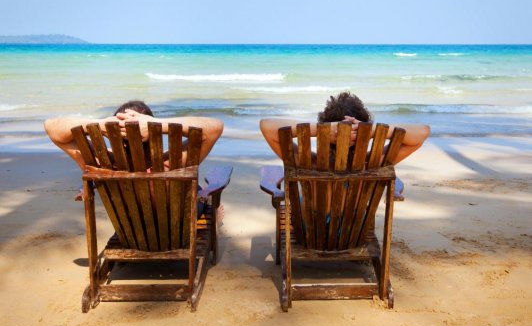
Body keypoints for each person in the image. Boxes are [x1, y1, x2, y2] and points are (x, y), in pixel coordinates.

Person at [260, 91, 430, 198]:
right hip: (356, 235)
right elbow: (422, 133)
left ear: (325, 125)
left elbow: (267, 126)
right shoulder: (374, 164)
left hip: (309, 232)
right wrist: (372, 132)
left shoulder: (307, 163)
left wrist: (319, 130)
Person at [44, 100, 224, 170]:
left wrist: (98, 125)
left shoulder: (103, 164)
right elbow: (214, 128)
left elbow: (51, 127)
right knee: (200, 194)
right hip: (174, 227)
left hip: (129, 228)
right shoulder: (171, 165)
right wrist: (158, 125)